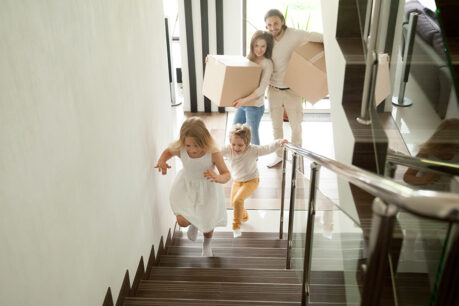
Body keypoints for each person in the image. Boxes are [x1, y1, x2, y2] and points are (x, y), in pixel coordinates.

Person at [155, 117, 231, 256]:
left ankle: (206, 245)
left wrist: (219, 178)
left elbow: (226, 174)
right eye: (188, 145)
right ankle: (194, 223)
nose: (192, 149)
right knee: (182, 221)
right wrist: (162, 160)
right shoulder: (181, 150)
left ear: (205, 141)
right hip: (187, 187)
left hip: (208, 189)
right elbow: (168, 151)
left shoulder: (213, 153)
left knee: (208, 221)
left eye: (196, 145)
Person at [264, 9, 323, 167]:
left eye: (276, 23)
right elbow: (253, 55)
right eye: (269, 24)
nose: (273, 27)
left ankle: (297, 153)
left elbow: (314, 36)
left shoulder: (294, 34)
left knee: (296, 125)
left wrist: (332, 41)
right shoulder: (266, 39)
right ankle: (278, 155)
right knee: (276, 126)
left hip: (293, 89)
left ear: (282, 21)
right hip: (273, 89)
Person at [222, 124, 287, 238]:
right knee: (234, 203)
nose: (236, 148)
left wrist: (279, 142)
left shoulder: (253, 150)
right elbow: (215, 152)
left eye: (240, 145)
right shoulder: (228, 149)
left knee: (237, 200)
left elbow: (267, 148)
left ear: (247, 143)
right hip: (237, 181)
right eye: (234, 144)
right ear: (230, 142)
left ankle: (236, 226)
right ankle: (244, 216)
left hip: (251, 180)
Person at [233, 30, 274, 145]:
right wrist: (211, 60)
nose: (259, 49)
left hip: (255, 106)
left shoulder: (267, 63)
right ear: (252, 46)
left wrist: (243, 101)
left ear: (267, 47)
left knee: (252, 135)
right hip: (243, 103)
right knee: (235, 130)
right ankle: (238, 157)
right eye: (256, 45)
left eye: (263, 46)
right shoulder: (248, 59)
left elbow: (261, 89)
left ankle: (254, 161)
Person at [403, 118, 459, 191]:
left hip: (447, 194)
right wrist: (425, 179)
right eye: (455, 146)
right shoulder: (426, 154)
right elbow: (407, 177)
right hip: (425, 192)